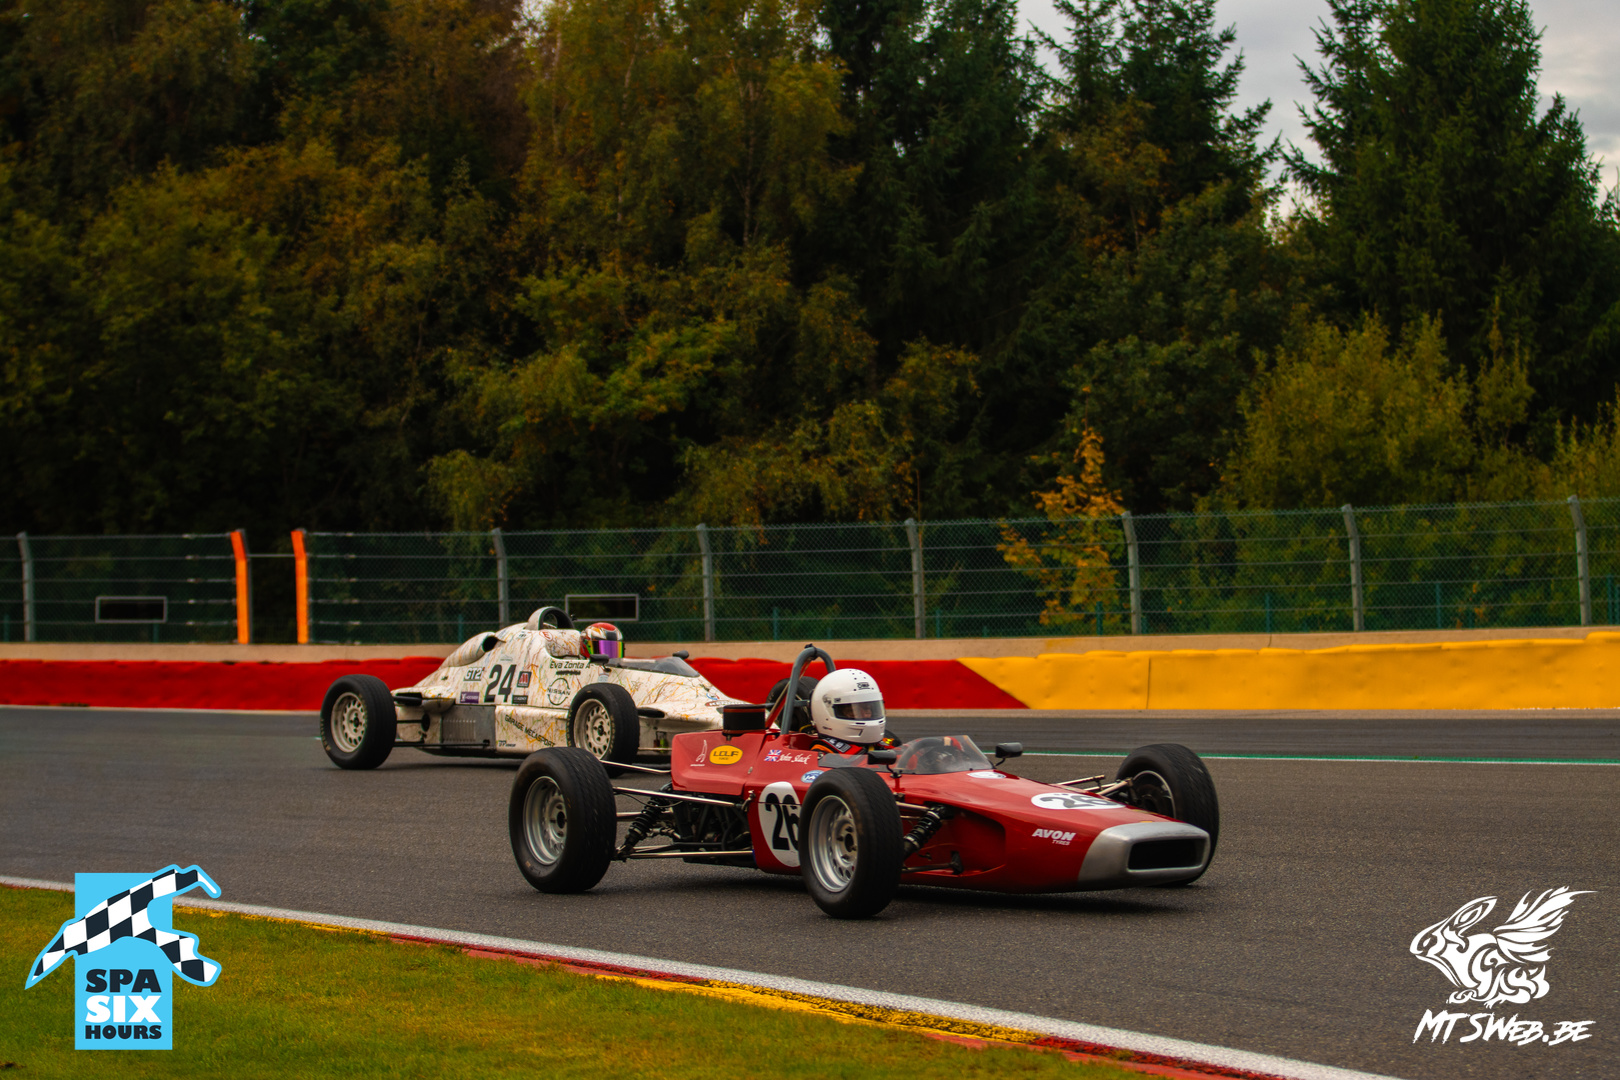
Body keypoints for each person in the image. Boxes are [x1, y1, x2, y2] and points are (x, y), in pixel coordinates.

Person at [800, 668, 901, 754]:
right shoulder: (826, 752)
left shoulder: (888, 743)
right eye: (852, 711)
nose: (866, 714)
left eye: (868, 708)